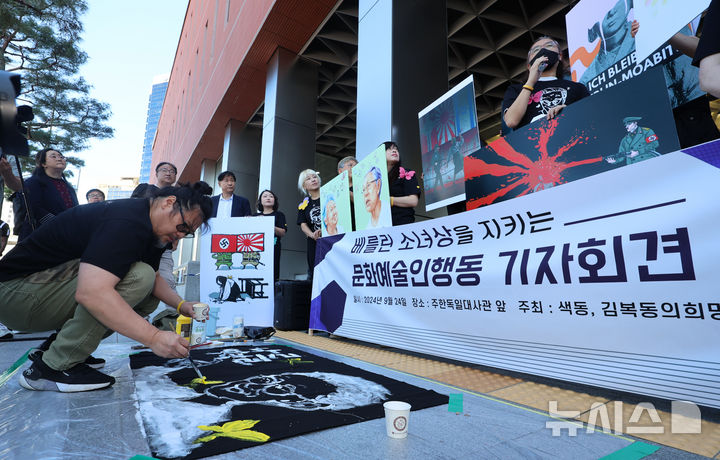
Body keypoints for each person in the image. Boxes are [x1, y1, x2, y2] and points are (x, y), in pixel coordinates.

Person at [0, 182, 213, 392]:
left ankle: (58, 348)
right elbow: (92, 292)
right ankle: (52, 366)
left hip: (36, 293)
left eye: (188, 233)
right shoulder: (126, 220)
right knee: (138, 277)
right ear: (168, 202)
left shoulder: (150, 229)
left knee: (147, 286)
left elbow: (156, 278)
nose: (181, 236)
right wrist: (154, 338)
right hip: (15, 295)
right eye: (183, 226)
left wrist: (182, 305)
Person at [502, 37, 590, 131]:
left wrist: (568, 111)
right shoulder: (516, 89)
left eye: (549, 45)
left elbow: (590, 117)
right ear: (528, 65)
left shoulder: (577, 88)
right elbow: (511, 121)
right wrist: (531, 81)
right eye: (536, 50)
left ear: (560, 56)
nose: (543, 50)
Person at [18, 148, 79, 241]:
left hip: (65, 237)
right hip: (39, 236)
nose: (59, 159)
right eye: (53, 156)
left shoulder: (69, 187)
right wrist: (57, 224)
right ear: (43, 164)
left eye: (61, 157)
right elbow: (33, 208)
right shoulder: (34, 182)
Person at [384, 141, 421, 226]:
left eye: (396, 149)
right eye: (389, 149)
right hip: (381, 224)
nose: (394, 151)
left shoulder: (406, 173)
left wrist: (390, 200)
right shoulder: (375, 178)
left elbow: (413, 201)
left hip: (402, 223)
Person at [254, 189, 287, 281]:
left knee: (273, 274)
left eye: (271, 196)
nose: (268, 198)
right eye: (265, 196)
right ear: (260, 201)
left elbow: (283, 232)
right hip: (257, 250)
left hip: (273, 248)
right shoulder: (254, 216)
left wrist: (268, 224)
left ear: (275, 200)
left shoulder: (279, 215)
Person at [296, 169, 322, 280]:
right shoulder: (304, 204)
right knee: (315, 273)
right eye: (308, 178)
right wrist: (312, 235)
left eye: (314, 177)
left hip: (332, 238)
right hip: (314, 243)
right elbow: (303, 224)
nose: (313, 180)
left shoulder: (330, 194)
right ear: (304, 186)